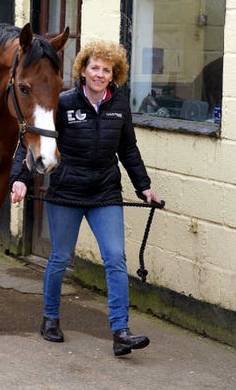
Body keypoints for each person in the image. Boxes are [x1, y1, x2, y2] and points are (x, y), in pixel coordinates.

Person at [10, 40, 163, 357]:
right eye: (95, 67)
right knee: (60, 259)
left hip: (105, 193)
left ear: (114, 74)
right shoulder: (64, 103)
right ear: (83, 69)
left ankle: (121, 331)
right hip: (67, 193)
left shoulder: (119, 106)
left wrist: (144, 187)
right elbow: (34, 141)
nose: (100, 74)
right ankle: (50, 319)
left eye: (107, 69)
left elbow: (128, 150)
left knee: (115, 259)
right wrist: (20, 180)